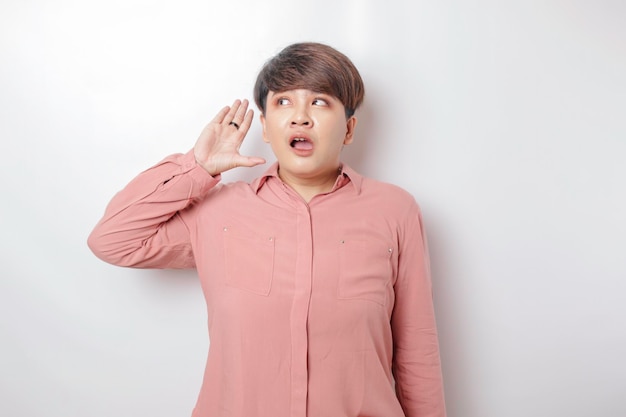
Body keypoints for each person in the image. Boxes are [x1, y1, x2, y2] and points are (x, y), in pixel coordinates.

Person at [88, 42, 446, 417]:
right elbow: (112, 239)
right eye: (283, 102)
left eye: (320, 102)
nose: (300, 117)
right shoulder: (218, 211)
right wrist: (197, 168)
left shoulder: (394, 210)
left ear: (349, 129)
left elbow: (416, 349)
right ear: (265, 128)